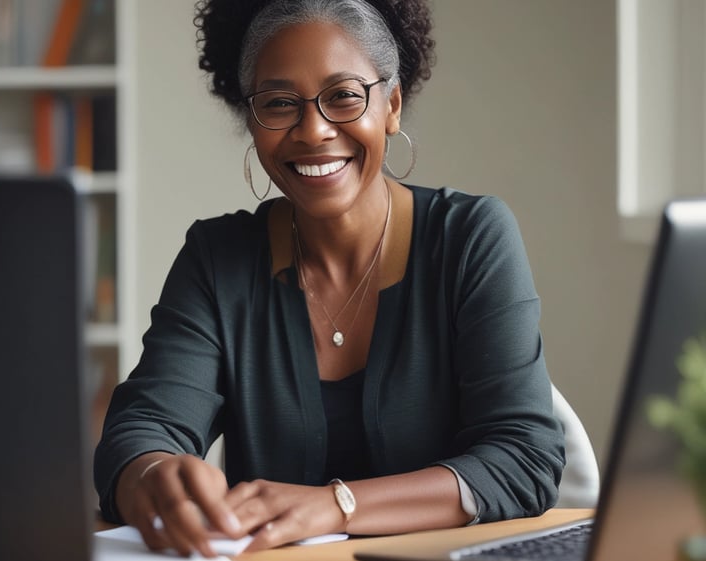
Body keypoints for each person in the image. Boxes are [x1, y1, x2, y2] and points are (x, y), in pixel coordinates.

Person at [94, 0, 566, 557]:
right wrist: (153, 477)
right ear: (252, 119)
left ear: (390, 105)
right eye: (279, 103)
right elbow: (141, 430)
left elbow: (525, 457)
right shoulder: (218, 258)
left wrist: (334, 504)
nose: (313, 130)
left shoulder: (469, 237)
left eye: (344, 96)